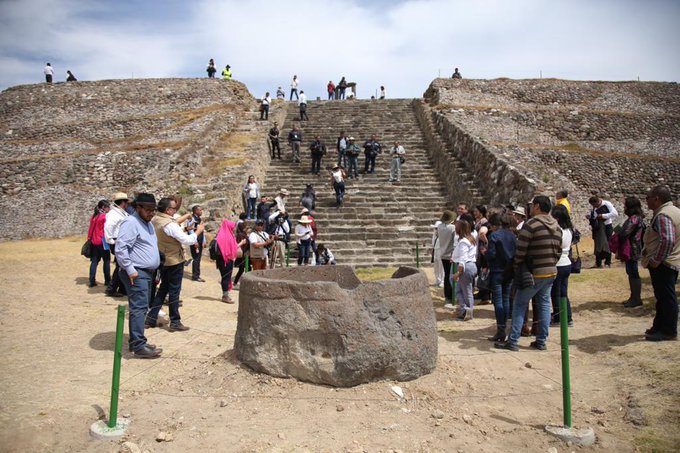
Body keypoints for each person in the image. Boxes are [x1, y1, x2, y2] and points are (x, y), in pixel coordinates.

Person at [495, 196, 562, 351]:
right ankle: (541, 341)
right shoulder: (557, 226)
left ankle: (512, 341)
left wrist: (517, 266)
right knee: (544, 305)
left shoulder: (531, 224)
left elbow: (521, 249)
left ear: (537, 206)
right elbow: (558, 251)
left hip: (533, 272)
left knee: (519, 304)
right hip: (550, 271)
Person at [115, 193, 162, 358]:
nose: (151, 213)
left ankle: (137, 341)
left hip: (146, 272)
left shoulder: (146, 223)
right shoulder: (131, 222)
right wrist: (130, 270)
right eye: (148, 210)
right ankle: (138, 346)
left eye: (153, 210)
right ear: (138, 207)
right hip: (137, 272)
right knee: (139, 308)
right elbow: (121, 248)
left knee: (142, 307)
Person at [146, 197, 203, 332]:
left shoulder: (156, 219)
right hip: (174, 260)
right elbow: (187, 239)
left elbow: (171, 225)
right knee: (174, 291)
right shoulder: (169, 224)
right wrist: (198, 231)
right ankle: (175, 321)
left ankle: (151, 317)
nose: (175, 210)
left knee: (163, 289)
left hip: (163, 258)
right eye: (173, 208)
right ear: (168, 210)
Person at [641, 185, 680, 341]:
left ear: (657, 199)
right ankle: (659, 326)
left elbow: (668, 239)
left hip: (664, 263)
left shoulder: (664, 215)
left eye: (648, 198)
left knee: (666, 297)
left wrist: (657, 260)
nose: (647, 201)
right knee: (662, 296)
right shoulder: (675, 211)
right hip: (672, 260)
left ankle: (668, 330)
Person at [485, 213, 517, 342]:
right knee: (506, 299)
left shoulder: (494, 236)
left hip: (497, 270)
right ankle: (504, 326)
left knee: (498, 300)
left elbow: (491, 254)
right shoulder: (513, 236)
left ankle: (501, 328)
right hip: (509, 270)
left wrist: (485, 254)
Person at [550, 205, 574, 327]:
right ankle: (567, 317)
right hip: (566, 263)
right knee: (563, 292)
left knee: (556, 293)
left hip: (558, 264)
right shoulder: (569, 230)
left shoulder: (557, 231)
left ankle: (559, 318)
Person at [619, 197, 646, 308]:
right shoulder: (636, 218)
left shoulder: (634, 219)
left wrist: (618, 233)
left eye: (626, 206)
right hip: (633, 247)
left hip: (632, 248)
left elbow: (625, 233)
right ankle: (634, 297)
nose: (624, 208)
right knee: (631, 272)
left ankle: (636, 298)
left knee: (633, 272)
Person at [104, 192, 131, 297]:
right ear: (123, 202)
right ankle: (112, 288)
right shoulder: (114, 214)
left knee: (123, 265)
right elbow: (108, 227)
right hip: (117, 240)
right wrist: (111, 240)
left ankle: (122, 288)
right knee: (121, 266)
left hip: (121, 240)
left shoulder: (121, 213)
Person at [451, 219, 478, 320]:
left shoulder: (463, 242)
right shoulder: (470, 239)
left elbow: (463, 258)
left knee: (465, 292)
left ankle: (467, 311)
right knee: (463, 290)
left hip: (466, 267)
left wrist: (458, 273)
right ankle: (465, 310)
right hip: (471, 266)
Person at [586, 195, 618, 268]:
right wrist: (590, 217)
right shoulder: (594, 207)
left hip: (607, 226)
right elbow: (595, 217)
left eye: (595, 205)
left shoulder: (607, 204)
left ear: (598, 202)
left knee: (607, 244)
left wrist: (603, 216)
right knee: (598, 244)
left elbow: (615, 213)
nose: (594, 206)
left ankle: (608, 262)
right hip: (598, 227)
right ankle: (598, 263)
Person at [215, 218, 241, 304]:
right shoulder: (228, 236)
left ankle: (226, 294)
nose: (233, 228)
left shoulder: (220, 235)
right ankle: (225, 296)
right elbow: (231, 249)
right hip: (226, 260)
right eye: (232, 227)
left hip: (221, 260)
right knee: (226, 277)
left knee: (225, 277)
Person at [87, 200, 111, 287]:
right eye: (108, 206)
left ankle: (91, 280)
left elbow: (90, 229)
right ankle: (108, 280)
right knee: (107, 261)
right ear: (104, 207)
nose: (109, 208)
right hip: (102, 242)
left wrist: (89, 238)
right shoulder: (104, 217)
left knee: (94, 262)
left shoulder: (94, 216)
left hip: (94, 241)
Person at [438, 210, 457, 308]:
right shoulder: (452, 228)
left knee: (446, 275)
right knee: (452, 275)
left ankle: (448, 297)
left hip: (443, 254)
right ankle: (452, 296)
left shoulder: (439, 227)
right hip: (451, 254)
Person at [185, 205, 206, 282]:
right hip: (195, 242)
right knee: (196, 259)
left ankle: (197, 274)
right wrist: (195, 241)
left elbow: (202, 230)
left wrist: (204, 241)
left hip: (200, 241)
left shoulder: (199, 219)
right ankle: (195, 276)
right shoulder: (192, 219)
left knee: (198, 258)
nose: (201, 211)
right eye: (200, 210)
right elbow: (190, 230)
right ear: (195, 211)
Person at [431, 221, 444, 287]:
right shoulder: (434, 235)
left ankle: (442, 281)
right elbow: (433, 244)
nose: (436, 230)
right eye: (435, 228)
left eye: (437, 228)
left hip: (441, 251)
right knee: (436, 266)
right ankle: (437, 280)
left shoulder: (444, 235)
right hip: (436, 251)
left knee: (441, 267)